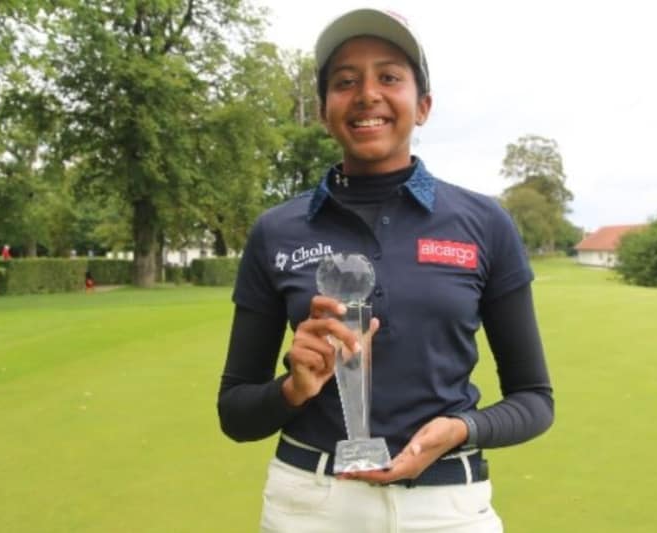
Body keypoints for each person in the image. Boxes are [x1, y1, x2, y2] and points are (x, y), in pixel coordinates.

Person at [218, 8, 554, 532]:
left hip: (447, 504)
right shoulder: (276, 230)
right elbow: (235, 413)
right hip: (311, 505)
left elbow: (534, 400)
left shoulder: (484, 223)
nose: (367, 94)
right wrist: (292, 389)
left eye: (390, 77)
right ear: (325, 110)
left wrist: (461, 429)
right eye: (345, 81)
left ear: (423, 106)